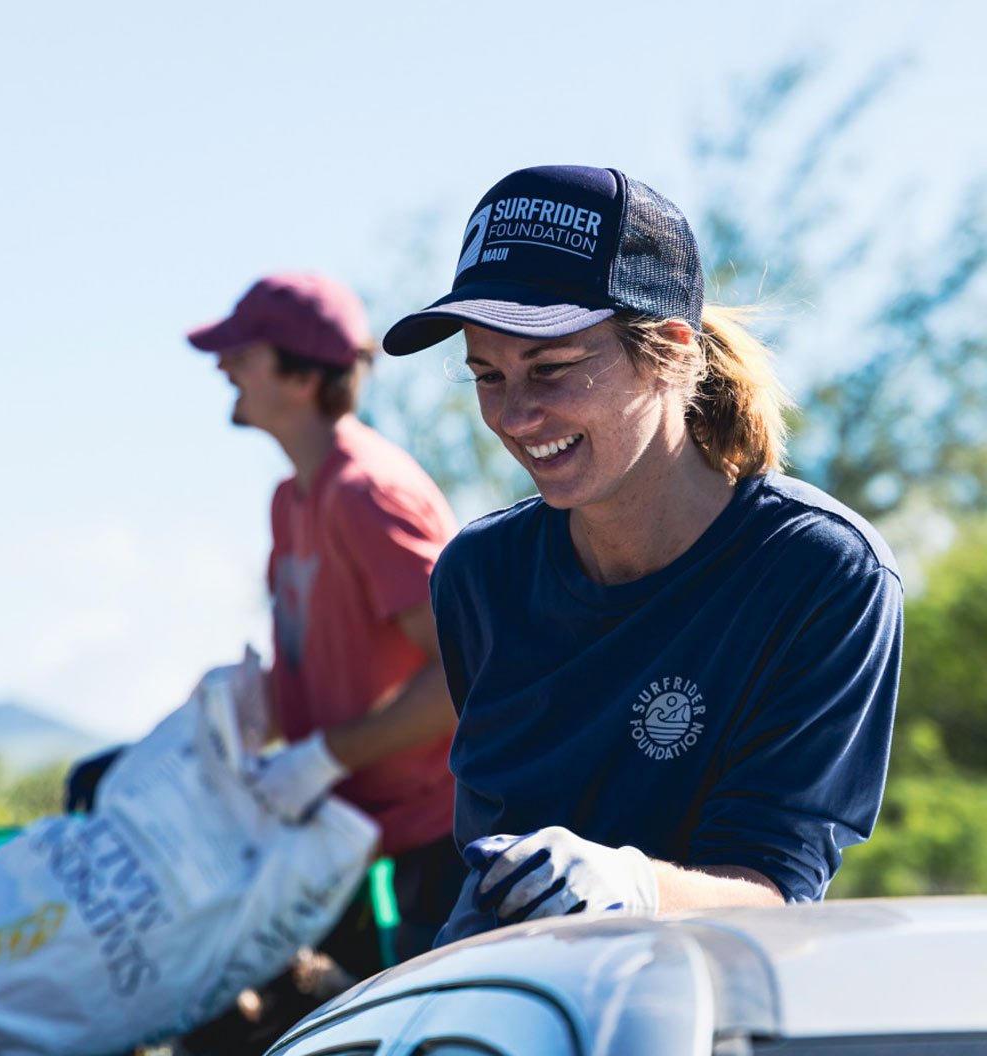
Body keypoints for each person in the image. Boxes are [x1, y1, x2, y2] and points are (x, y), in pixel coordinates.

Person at [380, 165, 903, 944]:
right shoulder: (478, 576)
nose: (517, 415)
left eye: (552, 368)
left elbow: (775, 888)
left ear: (671, 350)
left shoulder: (822, 573)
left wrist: (632, 886)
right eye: (487, 375)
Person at [186, 273, 465, 974]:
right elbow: (333, 661)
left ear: (303, 377)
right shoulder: (292, 500)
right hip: (347, 840)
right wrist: (252, 707)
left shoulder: (369, 493)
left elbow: (466, 674)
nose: (224, 369)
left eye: (242, 355)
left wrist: (326, 755)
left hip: (438, 852)